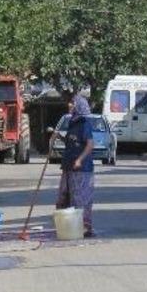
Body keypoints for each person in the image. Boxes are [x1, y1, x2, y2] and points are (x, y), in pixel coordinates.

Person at [54, 94, 96, 237]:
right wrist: (57, 136)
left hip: (82, 169)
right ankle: (68, 226)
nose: (69, 105)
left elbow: (90, 145)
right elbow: (70, 142)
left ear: (78, 106)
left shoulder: (85, 123)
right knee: (64, 197)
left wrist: (80, 159)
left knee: (80, 199)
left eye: (72, 103)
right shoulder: (72, 122)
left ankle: (85, 228)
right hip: (68, 166)